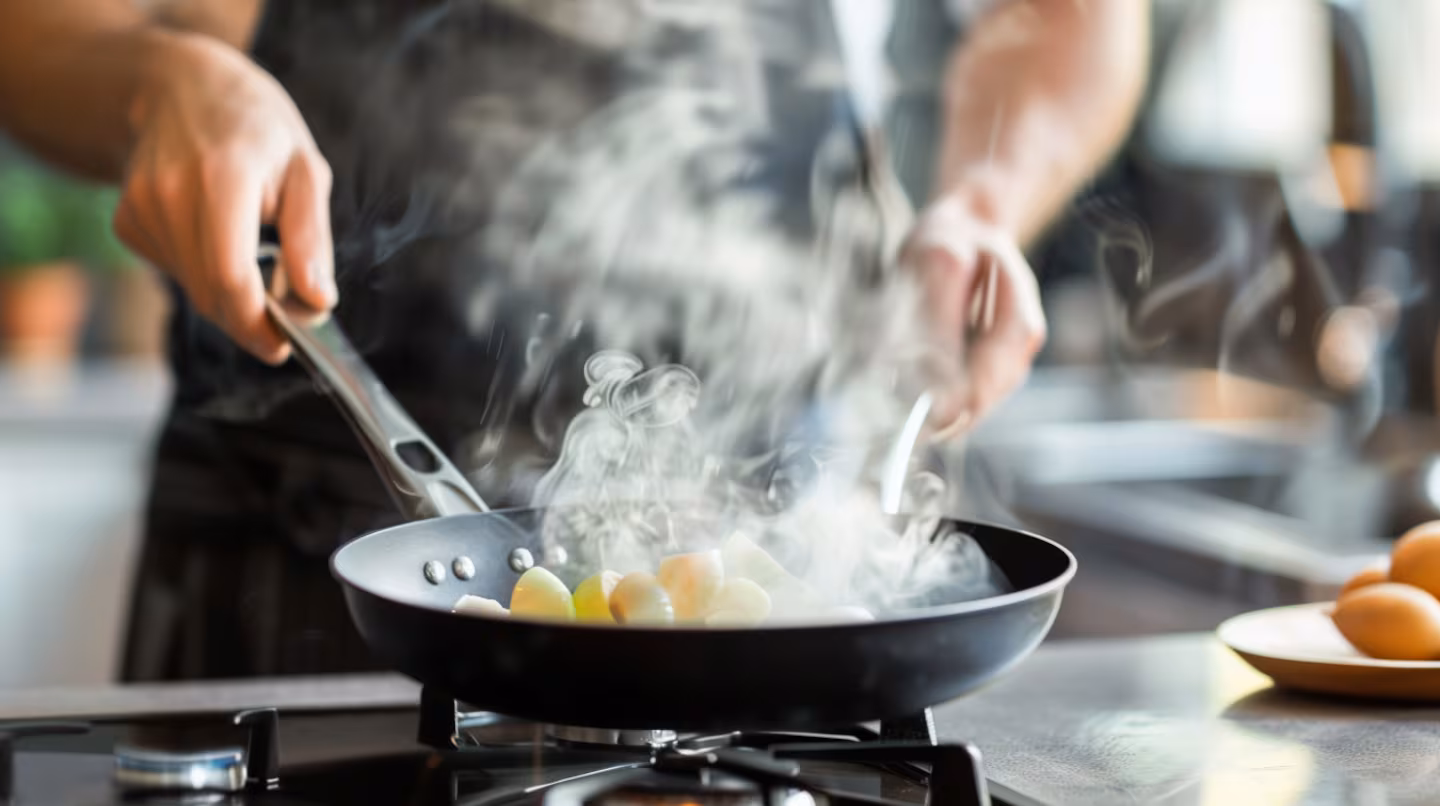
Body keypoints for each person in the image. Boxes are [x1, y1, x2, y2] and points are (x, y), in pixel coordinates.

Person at [0, 0, 1147, 679]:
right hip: (297, 543)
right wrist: (163, 81)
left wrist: (984, 201)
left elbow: (1073, 17)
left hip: (781, 537)